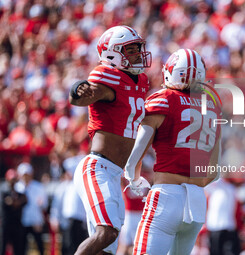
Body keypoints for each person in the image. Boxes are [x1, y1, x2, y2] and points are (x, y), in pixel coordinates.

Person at [124, 48, 221, 255]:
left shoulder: (164, 98)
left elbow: (137, 153)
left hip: (167, 195)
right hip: (196, 201)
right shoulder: (211, 106)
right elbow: (214, 172)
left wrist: (134, 177)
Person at [69, 25, 151, 255]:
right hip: (98, 168)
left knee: (106, 250)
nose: (137, 54)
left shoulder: (141, 81)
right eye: (131, 49)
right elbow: (83, 96)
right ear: (113, 54)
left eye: (137, 48)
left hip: (114, 174)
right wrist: (79, 90)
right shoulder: (108, 76)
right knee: (107, 232)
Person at [15, 162, 48, 255]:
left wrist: (41, 205)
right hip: (21, 223)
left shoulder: (38, 187)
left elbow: (44, 205)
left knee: (40, 247)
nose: (26, 177)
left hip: (35, 222)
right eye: (24, 175)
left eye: (27, 174)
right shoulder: (16, 187)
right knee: (21, 247)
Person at [1, 169, 27, 255]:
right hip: (5, 224)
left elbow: (25, 200)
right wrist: (17, 201)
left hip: (16, 224)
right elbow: (9, 202)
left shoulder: (18, 192)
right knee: (2, 247)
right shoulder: (3, 190)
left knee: (18, 248)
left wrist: (17, 201)